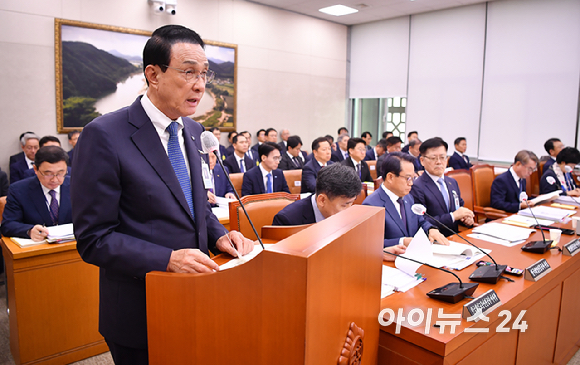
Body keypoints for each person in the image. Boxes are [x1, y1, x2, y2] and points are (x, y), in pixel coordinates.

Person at [70, 25, 254, 364]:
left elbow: (193, 207)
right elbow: (93, 238)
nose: (199, 85)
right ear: (153, 74)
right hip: (140, 309)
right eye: (188, 72)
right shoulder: (104, 135)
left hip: (197, 298)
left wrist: (220, 236)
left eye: (204, 74)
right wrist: (166, 259)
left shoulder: (195, 130)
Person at [274, 164, 407, 260]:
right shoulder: (288, 220)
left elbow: (354, 246)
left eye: (352, 203)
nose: (350, 210)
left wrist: (378, 253)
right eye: (345, 205)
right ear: (321, 200)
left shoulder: (348, 213)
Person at [363, 152, 449, 247]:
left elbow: (420, 220)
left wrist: (430, 229)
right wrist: (401, 242)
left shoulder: (408, 197)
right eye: (408, 178)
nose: (411, 183)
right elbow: (369, 244)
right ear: (390, 177)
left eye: (413, 178)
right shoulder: (371, 205)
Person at [2, 146, 72, 240]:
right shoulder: (18, 190)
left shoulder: (77, 185)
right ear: (35, 169)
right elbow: (8, 225)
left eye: (60, 173)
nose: (55, 179)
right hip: (37, 248)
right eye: (48, 174)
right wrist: (29, 231)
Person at [410, 138, 474, 236]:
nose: (439, 162)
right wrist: (453, 216)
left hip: (456, 238)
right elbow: (421, 220)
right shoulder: (417, 187)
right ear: (422, 161)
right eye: (433, 158)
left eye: (442, 157)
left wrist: (465, 218)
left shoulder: (452, 182)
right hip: (433, 241)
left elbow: (459, 206)